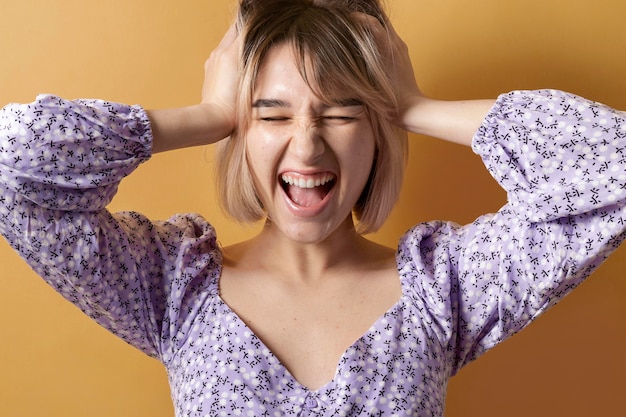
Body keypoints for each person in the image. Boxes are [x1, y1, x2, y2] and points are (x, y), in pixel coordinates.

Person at [0, 0, 624, 415]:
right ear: (241, 133)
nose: (307, 143)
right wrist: (206, 116)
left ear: (376, 133)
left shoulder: (445, 289)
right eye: (271, 114)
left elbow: (612, 169)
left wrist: (409, 104)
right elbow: (13, 172)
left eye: (343, 112)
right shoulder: (169, 285)